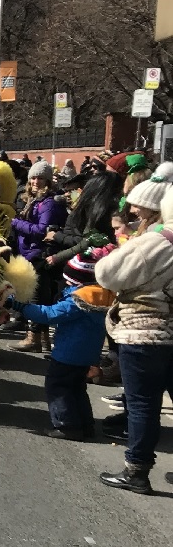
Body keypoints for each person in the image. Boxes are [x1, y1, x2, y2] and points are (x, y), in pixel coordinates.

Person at [94, 179, 173, 493]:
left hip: (144, 332)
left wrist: (126, 243)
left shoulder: (158, 242)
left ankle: (136, 471)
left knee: (142, 404)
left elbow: (107, 273)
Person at [11, 254, 111, 440]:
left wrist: (19, 306)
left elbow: (48, 314)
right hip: (88, 355)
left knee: (58, 386)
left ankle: (67, 425)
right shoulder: (102, 296)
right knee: (77, 388)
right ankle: (85, 425)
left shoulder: (77, 301)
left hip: (68, 354)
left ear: (74, 280)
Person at [12, 160, 69, 352]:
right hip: (30, 252)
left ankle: (33, 338)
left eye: (41, 178)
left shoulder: (49, 203)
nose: (36, 181)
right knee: (38, 296)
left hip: (40, 254)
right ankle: (42, 339)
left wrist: (16, 223)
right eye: (33, 178)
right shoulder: (33, 200)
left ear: (48, 181)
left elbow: (42, 230)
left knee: (37, 297)